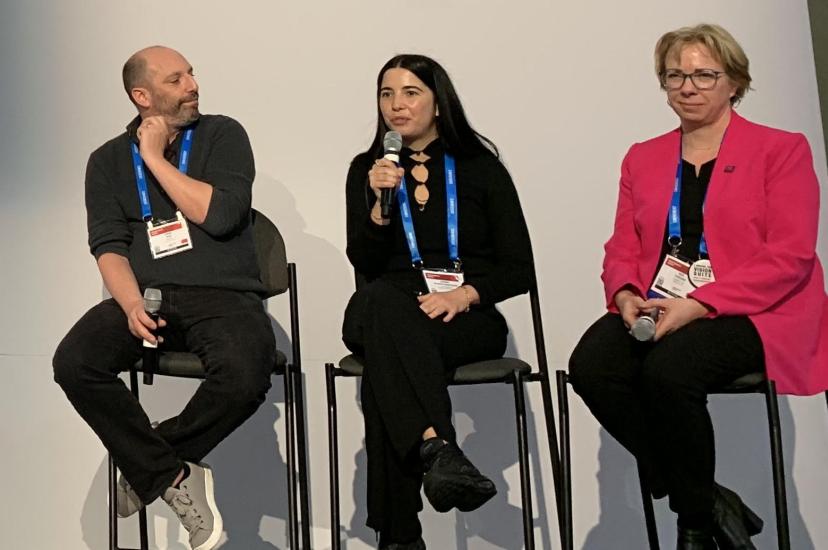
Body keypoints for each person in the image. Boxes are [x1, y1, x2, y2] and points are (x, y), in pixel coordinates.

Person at [568, 23, 828, 550]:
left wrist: (701, 303)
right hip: (662, 302)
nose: (687, 87)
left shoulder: (781, 149)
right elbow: (622, 243)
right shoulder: (642, 157)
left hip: (757, 311)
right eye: (674, 76)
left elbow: (791, 255)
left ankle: (693, 525)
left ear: (734, 82)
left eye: (704, 75)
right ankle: (709, 497)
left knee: (668, 370)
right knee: (592, 365)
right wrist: (624, 293)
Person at [52, 46, 276, 550]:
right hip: (147, 294)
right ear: (142, 96)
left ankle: (149, 465)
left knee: (245, 372)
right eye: (176, 79)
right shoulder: (107, 160)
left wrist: (152, 157)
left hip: (223, 296)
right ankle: (174, 477)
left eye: (191, 73)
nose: (192, 84)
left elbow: (218, 216)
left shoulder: (223, 134)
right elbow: (108, 246)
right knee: (75, 361)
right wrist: (131, 305)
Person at [342, 54, 534, 549]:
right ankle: (438, 447)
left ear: (437, 100)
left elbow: (520, 269)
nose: (396, 105)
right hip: (387, 305)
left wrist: (463, 295)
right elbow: (362, 260)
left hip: (463, 314)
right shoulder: (369, 169)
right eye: (386, 94)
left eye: (410, 93)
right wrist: (380, 210)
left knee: (392, 361)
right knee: (385, 305)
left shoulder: (480, 169)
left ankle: (401, 535)